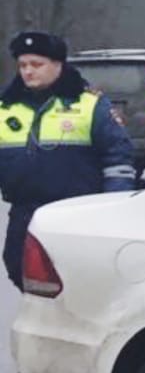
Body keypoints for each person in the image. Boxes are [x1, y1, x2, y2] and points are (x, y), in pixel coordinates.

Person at [0, 30, 136, 289]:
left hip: (75, 211)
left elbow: (118, 158)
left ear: (57, 65)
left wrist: (113, 207)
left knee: (77, 278)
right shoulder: (5, 107)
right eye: (23, 65)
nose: (28, 71)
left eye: (36, 64)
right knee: (20, 269)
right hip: (25, 211)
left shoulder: (88, 104)